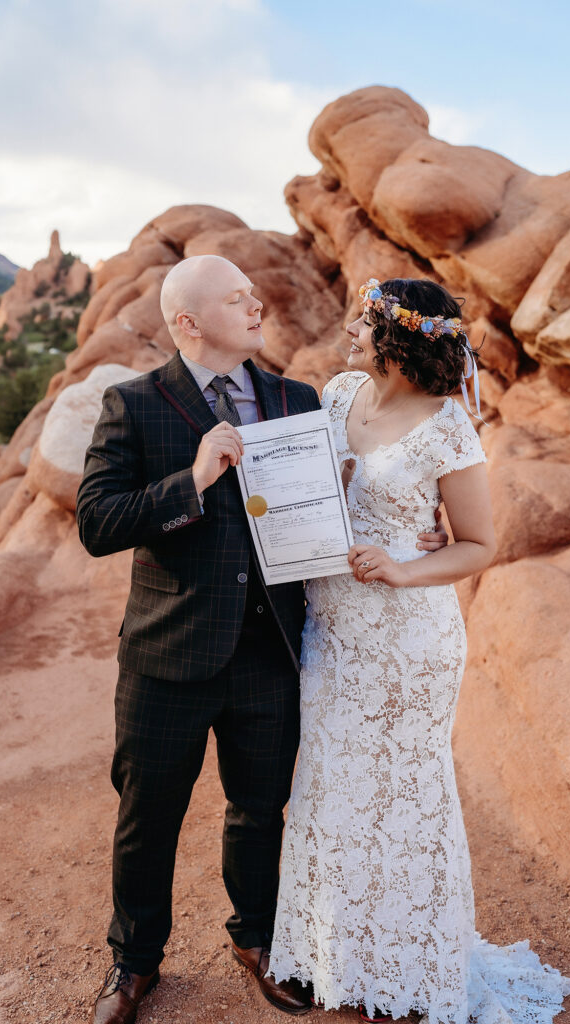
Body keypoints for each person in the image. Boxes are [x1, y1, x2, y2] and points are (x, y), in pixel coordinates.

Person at [76, 255, 450, 1024]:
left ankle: (257, 943)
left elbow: (336, 497)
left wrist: (418, 528)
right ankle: (133, 963)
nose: (256, 305)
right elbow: (97, 523)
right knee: (148, 816)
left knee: (259, 808)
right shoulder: (133, 404)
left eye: (254, 293)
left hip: (273, 649)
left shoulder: (297, 398)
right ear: (188, 322)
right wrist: (193, 480)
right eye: (237, 298)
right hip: (168, 655)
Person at [269, 278, 570, 1024]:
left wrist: (406, 567)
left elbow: (477, 544)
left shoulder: (447, 430)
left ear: (399, 341)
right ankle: (335, 957)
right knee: (331, 789)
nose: (352, 334)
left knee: (403, 799)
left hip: (407, 642)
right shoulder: (339, 394)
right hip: (331, 627)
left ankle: (410, 970)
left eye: (366, 326)